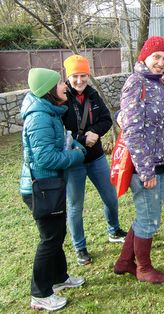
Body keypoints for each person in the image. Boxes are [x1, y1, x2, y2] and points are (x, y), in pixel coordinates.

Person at [20, 68, 86, 311]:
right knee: (49, 239)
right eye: (59, 83)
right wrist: (75, 156)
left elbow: (60, 141)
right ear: (48, 90)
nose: (65, 86)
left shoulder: (49, 111)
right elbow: (46, 158)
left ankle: (59, 278)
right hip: (42, 188)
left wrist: (73, 145)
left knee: (56, 235)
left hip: (51, 185)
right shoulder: (39, 117)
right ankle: (40, 294)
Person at [113, 36, 164, 284]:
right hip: (145, 167)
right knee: (149, 218)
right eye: (156, 57)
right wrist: (146, 171)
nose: (160, 62)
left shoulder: (155, 81)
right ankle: (143, 268)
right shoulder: (137, 83)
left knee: (145, 213)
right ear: (143, 56)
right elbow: (133, 131)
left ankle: (125, 261)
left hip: (160, 162)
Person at [62, 54, 127, 266]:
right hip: (74, 161)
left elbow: (107, 120)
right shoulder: (61, 98)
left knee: (111, 196)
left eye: (83, 75)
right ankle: (80, 247)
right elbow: (59, 132)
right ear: (67, 76)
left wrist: (94, 133)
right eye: (75, 76)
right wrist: (82, 138)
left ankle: (114, 229)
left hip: (96, 157)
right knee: (75, 206)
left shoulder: (93, 95)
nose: (79, 80)